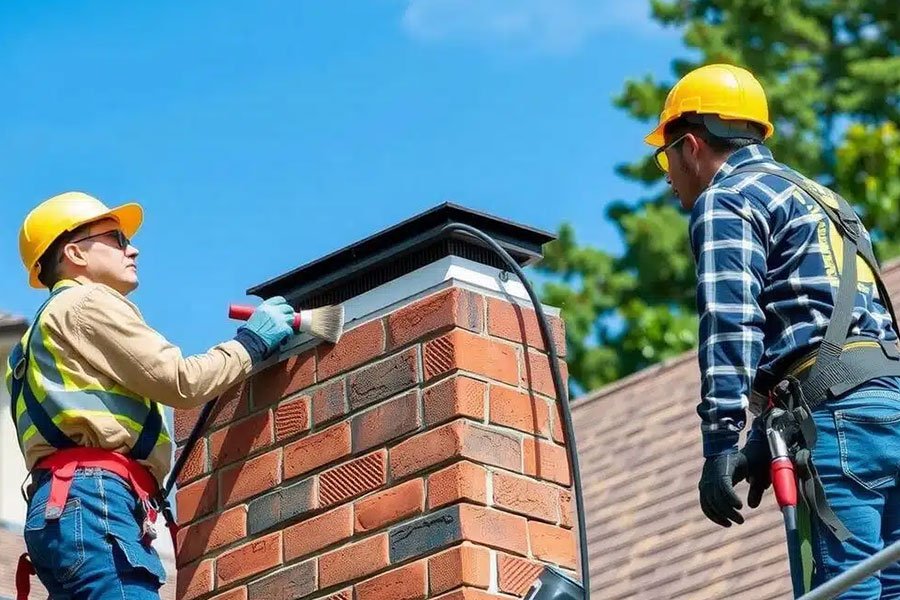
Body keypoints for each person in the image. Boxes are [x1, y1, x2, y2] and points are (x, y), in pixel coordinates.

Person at [645, 63, 900, 597]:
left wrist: (719, 443)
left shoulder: (727, 199)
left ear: (691, 146)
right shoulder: (826, 200)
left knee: (847, 591)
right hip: (890, 408)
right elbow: (830, 330)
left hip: (841, 429)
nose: (667, 176)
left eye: (665, 157)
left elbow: (730, 326)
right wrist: (763, 442)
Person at [8, 191, 296, 599]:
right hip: (93, 501)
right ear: (74, 252)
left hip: (56, 512)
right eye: (117, 238)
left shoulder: (30, 344)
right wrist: (251, 344)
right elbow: (181, 381)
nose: (133, 248)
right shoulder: (86, 303)